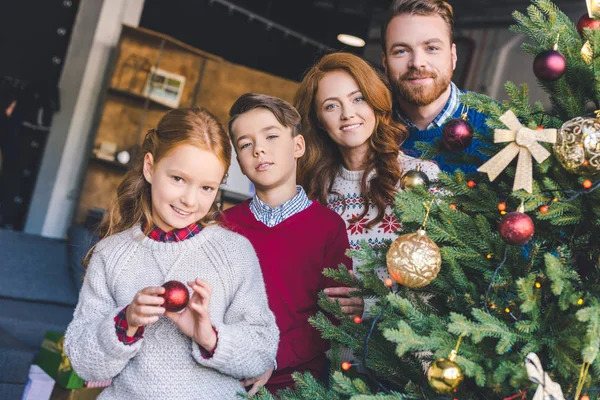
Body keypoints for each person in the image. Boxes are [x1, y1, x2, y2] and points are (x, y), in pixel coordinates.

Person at [64, 108, 279, 399]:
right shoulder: (110, 254)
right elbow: (84, 363)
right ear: (150, 167)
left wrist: (208, 336)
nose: (189, 199)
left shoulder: (235, 253)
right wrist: (126, 321)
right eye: (178, 179)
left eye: (206, 187)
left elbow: (262, 351)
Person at [222, 93, 351, 394]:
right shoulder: (222, 225)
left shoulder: (329, 228)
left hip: (297, 384)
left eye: (271, 136)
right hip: (226, 379)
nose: (259, 150)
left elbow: (330, 316)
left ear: (298, 146)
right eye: (245, 144)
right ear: (239, 162)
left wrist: (272, 359)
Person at [295, 52, 440, 319]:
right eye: (331, 106)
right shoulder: (312, 192)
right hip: (328, 354)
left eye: (358, 99)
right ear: (318, 121)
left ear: (375, 103)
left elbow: (443, 282)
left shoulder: (421, 176)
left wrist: (372, 307)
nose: (347, 114)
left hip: (399, 353)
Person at [381, 0, 490, 173]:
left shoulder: (503, 129)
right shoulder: (369, 130)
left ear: (453, 56)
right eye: (401, 51)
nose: (417, 63)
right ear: (385, 63)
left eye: (431, 48)